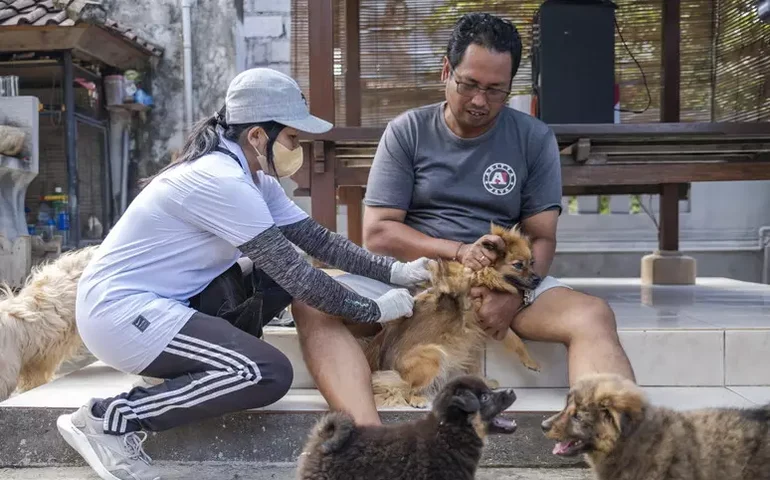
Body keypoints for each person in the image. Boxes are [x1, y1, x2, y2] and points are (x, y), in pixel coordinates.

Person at [57, 68, 432, 480]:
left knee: (275, 277)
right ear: (257, 136)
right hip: (122, 315)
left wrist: (396, 270)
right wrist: (373, 308)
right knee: (264, 372)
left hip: (172, 304)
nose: (297, 147)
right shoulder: (218, 180)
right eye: (292, 137)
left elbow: (318, 242)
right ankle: (105, 419)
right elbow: (300, 278)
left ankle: (186, 367)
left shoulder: (254, 178)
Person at [292, 12, 636, 427]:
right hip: (413, 280)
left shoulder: (532, 138)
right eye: (469, 84)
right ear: (446, 70)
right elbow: (379, 233)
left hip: (496, 283)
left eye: (495, 91)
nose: (479, 101)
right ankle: (370, 440)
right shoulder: (407, 131)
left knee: (593, 315)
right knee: (311, 302)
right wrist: (458, 252)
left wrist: (515, 294)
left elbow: (542, 237)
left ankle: (615, 447)